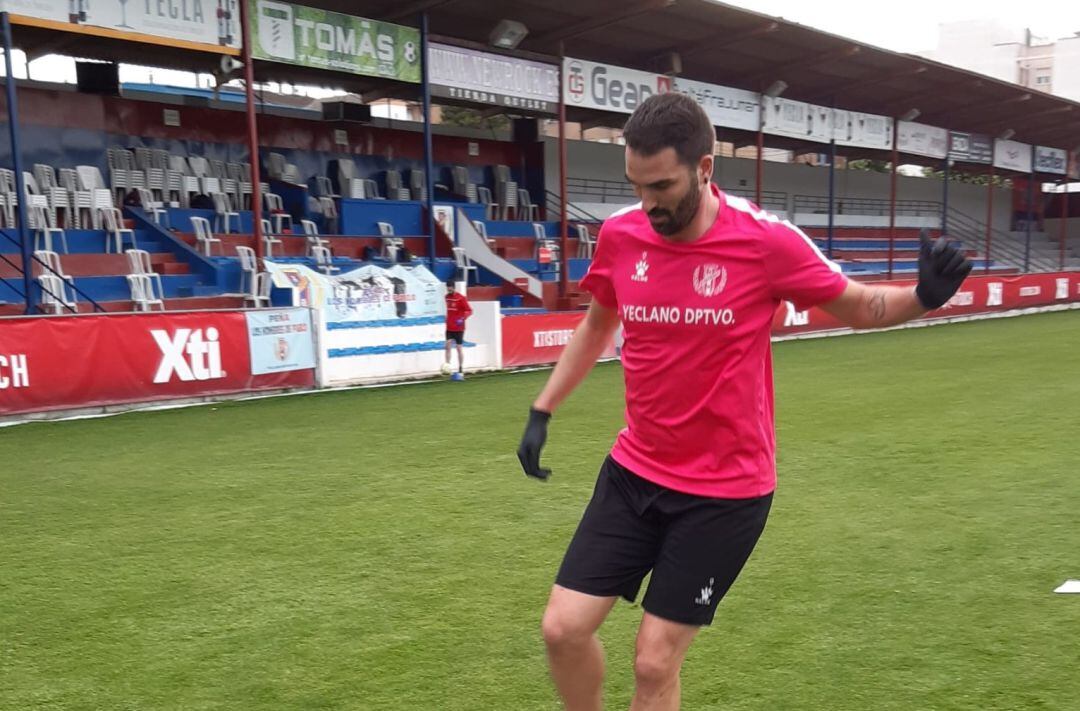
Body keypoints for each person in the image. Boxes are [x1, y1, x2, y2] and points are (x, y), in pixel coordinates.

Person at [516, 92, 971, 711]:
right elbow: (597, 325)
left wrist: (924, 296)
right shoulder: (622, 238)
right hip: (634, 473)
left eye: (663, 185)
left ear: (705, 168)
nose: (648, 203)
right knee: (561, 630)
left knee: (654, 661)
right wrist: (543, 409)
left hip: (724, 493)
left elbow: (858, 304)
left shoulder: (765, 243)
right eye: (637, 185)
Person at [444, 279, 473, 379]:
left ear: (453, 287)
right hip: (449, 327)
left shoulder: (461, 298)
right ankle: (447, 367)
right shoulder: (446, 297)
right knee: (447, 346)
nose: (449, 289)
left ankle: (460, 369)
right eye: (447, 287)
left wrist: (462, 318)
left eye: (450, 287)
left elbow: (469, 310)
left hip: (459, 327)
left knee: (458, 348)